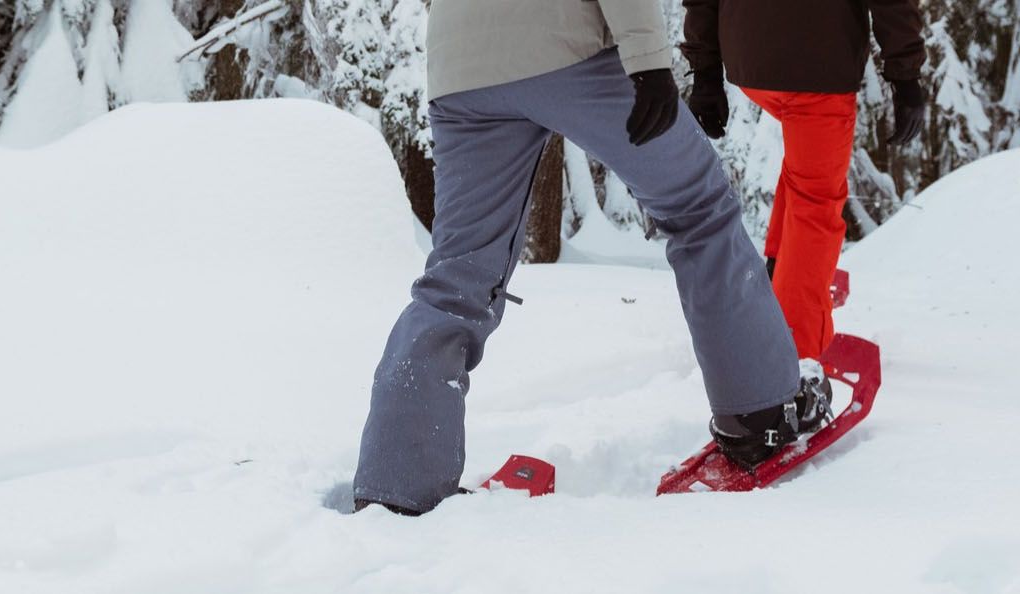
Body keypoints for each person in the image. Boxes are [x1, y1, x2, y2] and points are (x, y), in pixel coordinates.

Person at [353, 0, 832, 516]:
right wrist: (648, 59)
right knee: (699, 209)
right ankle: (761, 413)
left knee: (459, 273)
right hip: (565, 44)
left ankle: (398, 479)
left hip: (461, 65)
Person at [681, 0, 928, 360]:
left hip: (751, 60)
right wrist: (905, 75)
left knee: (807, 174)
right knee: (815, 204)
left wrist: (705, 73)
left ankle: (780, 275)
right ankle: (792, 360)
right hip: (819, 67)